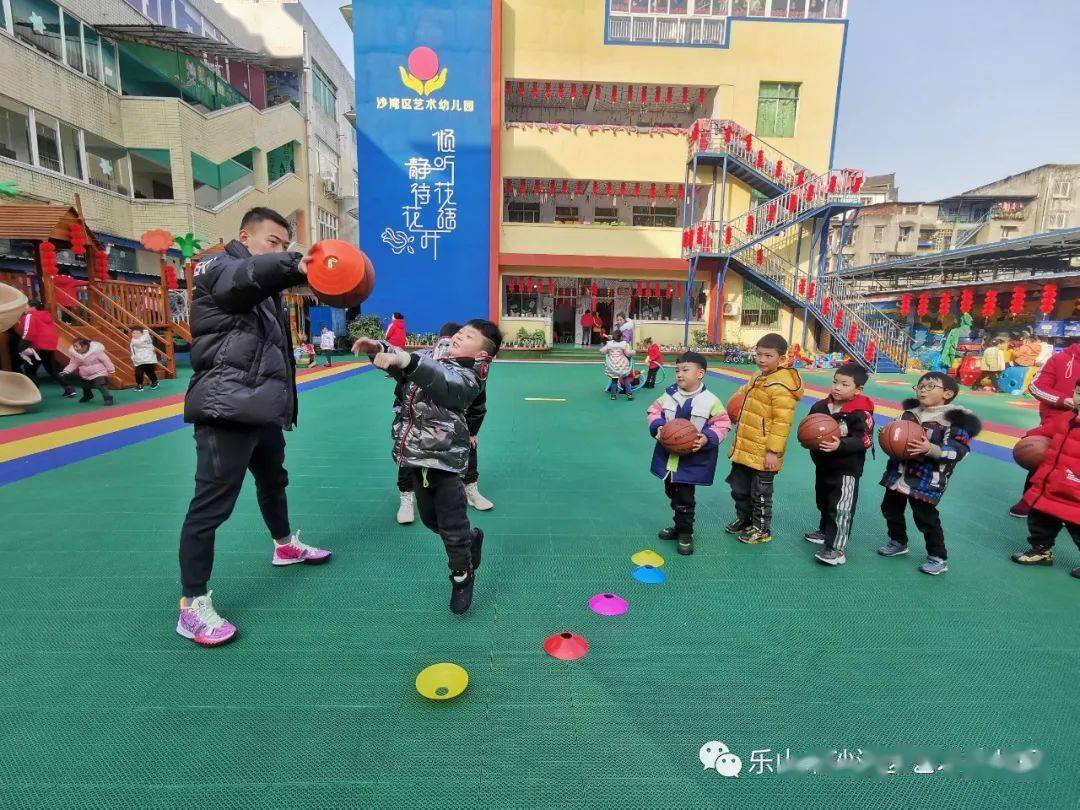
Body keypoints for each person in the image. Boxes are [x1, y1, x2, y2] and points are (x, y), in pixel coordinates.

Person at [177, 207, 332, 648]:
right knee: (211, 507)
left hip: (259, 408)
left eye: (285, 245)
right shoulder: (218, 268)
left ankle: (283, 544)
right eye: (273, 242)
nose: (280, 250)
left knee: (273, 480)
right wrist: (295, 262)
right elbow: (242, 277)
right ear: (245, 236)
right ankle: (191, 605)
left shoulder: (265, 289)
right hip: (225, 409)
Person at [354, 319, 501, 615]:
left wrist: (408, 360)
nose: (459, 337)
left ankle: (461, 575)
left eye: (469, 336)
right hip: (415, 454)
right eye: (460, 332)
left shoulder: (472, 373)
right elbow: (401, 360)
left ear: (484, 353)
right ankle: (472, 539)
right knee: (432, 521)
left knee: (453, 527)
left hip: (445, 461)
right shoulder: (433, 353)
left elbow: (446, 384)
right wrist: (378, 349)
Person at [877, 371, 982, 575]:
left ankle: (938, 557)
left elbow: (959, 451)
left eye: (929, 386)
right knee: (890, 508)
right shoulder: (909, 413)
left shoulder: (955, 420)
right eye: (920, 386)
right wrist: (887, 434)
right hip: (898, 473)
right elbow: (895, 433)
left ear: (948, 393)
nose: (923, 389)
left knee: (925, 517)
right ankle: (898, 541)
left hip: (926, 478)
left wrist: (930, 449)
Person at [647, 351, 731, 556]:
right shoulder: (669, 395)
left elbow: (723, 424)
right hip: (669, 457)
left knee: (685, 497)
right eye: (677, 370)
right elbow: (653, 411)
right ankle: (678, 525)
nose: (679, 374)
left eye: (685, 370)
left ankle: (685, 532)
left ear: (700, 373)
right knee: (671, 492)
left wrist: (706, 438)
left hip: (692, 460)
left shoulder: (710, 400)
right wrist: (658, 427)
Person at [725, 332, 803, 544]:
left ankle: (761, 529)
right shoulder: (757, 377)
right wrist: (729, 412)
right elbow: (741, 398)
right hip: (745, 445)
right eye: (759, 354)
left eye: (768, 356)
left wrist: (773, 452)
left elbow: (782, 422)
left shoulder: (781, 386)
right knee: (739, 488)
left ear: (782, 358)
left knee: (760, 493)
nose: (761, 360)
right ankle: (744, 519)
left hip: (764, 451)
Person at [804, 363, 875, 566]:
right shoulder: (820, 406)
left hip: (847, 469)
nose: (837, 387)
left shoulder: (861, 413)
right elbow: (809, 427)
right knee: (824, 501)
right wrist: (808, 438)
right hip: (823, 464)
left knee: (841, 507)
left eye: (844, 384)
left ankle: (836, 548)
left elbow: (865, 440)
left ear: (857, 390)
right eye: (835, 382)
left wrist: (841, 445)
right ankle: (825, 531)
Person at [1010, 381, 1080, 577]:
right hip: (1051, 483)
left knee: (1077, 526)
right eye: (1079, 393)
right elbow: (1045, 431)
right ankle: (1041, 551)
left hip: (1075, 489)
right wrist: (1027, 438)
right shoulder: (1066, 418)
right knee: (1040, 519)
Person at [395, 321, 460, 524]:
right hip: (413, 418)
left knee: (457, 450)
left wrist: (473, 430)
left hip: (445, 423)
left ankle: (468, 486)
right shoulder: (421, 357)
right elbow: (401, 385)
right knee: (407, 455)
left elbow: (476, 400)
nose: (449, 346)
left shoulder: (466, 364)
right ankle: (406, 498)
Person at [1010, 335, 1079, 517]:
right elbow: (1036, 387)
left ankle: (1069, 507)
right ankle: (1029, 499)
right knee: (1043, 457)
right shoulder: (1060, 358)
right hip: (1056, 424)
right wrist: (1064, 400)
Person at [16, 300, 74, 397]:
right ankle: (69, 388)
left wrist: (21, 347)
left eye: (26, 306)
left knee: (30, 370)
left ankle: (34, 393)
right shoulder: (46, 316)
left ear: (33, 307)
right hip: (50, 345)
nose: (24, 308)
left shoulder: (30, 316)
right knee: (52, 369)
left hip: (37, 346)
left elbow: (28, 333)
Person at [61, 338, 115, 405]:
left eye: (76, 346)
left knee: (101, 384)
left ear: (84, 346)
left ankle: (107, 398)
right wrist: (66, 371)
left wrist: (111, 371)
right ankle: (88, 395)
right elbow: (73, 364)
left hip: (98, 372)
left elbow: (106, 361)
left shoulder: (97, 351)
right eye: (74, 346)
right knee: (84, 384)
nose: (74, 348)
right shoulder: (75, 354)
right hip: (85, 374)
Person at [602, 332, 634, 401]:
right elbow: (628, 354)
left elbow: (603, 351)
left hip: (613, 365)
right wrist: (633, 352)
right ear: (621, 337)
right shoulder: (624, 344)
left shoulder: (609, 344)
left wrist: (609, 352)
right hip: (622, 364)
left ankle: (613, 395)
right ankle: (629, 394)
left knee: (614, 380)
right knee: (626, 379)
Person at [129, 326, 158, 391]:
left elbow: (145, 336)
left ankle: (154, 381)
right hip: (139, 359)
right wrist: (133, 356)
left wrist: (144, 331)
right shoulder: (133, 340)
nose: (134, 334)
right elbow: (132, 349)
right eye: (133, 333)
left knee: (149, 372)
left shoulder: (145, 338)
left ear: (142, 333)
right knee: (138, 373)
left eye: (137, 333)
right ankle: (140, 385)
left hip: (148, 358)